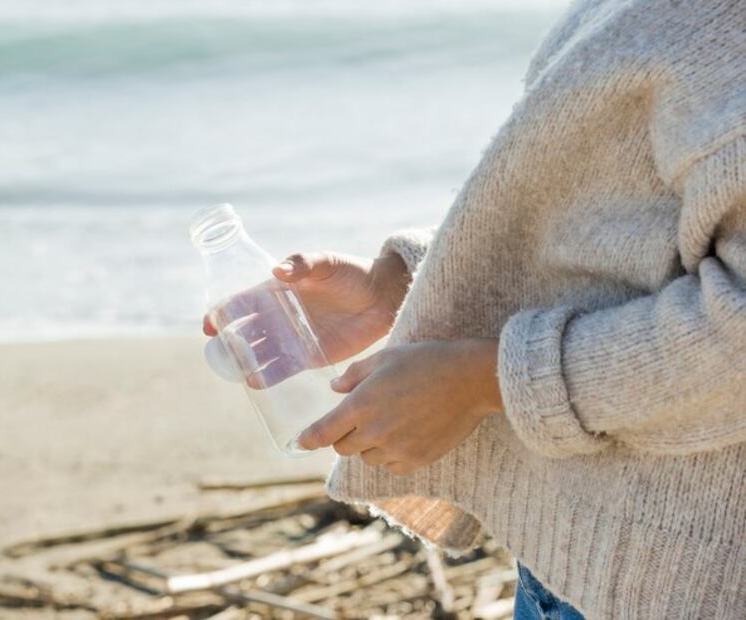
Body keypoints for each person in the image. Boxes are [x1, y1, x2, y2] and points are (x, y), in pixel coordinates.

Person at [203, 1, 745, 617]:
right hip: (578, 558)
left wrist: (479, 380)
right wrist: (406, 285)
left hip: (676, 585)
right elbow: (599, 216)